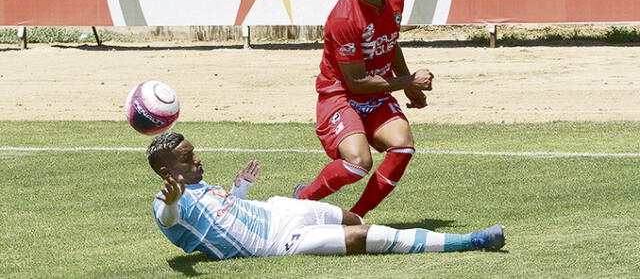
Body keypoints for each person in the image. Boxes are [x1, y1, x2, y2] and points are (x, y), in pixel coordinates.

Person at [148, 132, 505, 260]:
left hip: (279, 210)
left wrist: (240, 188)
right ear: (168, 172)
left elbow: (227, 216)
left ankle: (408, 238)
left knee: (353, 220)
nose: (197, 160)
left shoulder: (201, 186)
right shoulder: (167, 202)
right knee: (368, 238)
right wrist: (172, 201)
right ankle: (471, 241)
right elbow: (169, 219)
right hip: (281, 241)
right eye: (187, 158)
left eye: (193, 153)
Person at [293, 0, 434, 217]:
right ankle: (302, 198)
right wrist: (409, 82)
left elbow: (389, 42)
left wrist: (408, 86)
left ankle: (355, 217)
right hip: (341, 95)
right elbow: (355, 82)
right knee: (358, 163)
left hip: (377, 93)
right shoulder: (344, 18)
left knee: (403, 148)